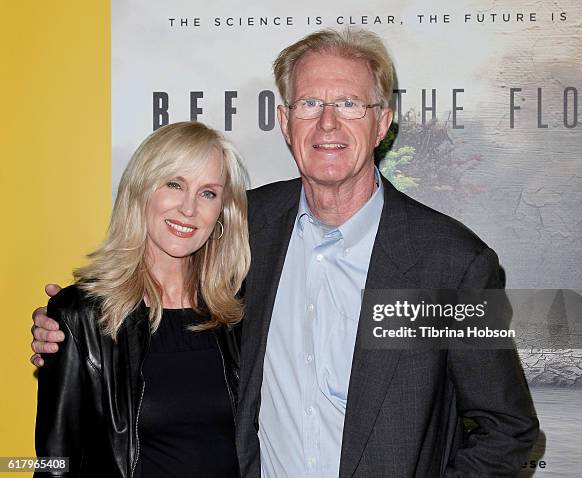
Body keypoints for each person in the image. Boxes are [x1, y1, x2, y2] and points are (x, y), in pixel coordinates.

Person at [32, 29, 538, 477]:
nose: (328, 124)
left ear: (382, 122)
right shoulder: (240, 227)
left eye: (349, 104)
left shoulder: (456, 262)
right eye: (309, 104)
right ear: (284, 120)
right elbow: (155, 299)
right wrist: (72, 325)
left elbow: (508, 428)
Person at [33, 121, 249, 477]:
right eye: (174, 184)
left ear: (223, 212)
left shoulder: (240, 312)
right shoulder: (80, 316)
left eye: (208, 192)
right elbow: (55, 465)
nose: (189, 208)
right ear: (141, 190)